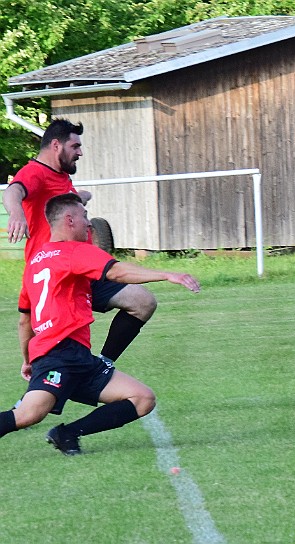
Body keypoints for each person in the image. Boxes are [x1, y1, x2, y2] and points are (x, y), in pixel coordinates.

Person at [0, 193, 200, 454]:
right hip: (58, 355)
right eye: (84, 216)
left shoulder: (36, 262)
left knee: (143, 399)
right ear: (69, 220)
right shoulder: (73, 251)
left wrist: (28, 359)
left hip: (76, 357)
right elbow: (116, 271)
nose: (89, 223)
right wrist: (167, 274)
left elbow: (25, 320)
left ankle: (67, 433)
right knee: (29, 414)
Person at [3, 118, 157, 365]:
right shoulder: (35, 172)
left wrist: (80, 196)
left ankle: (103, 365)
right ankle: (36, 391)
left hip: (82, 271)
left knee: (142, 301)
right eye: (75, 146)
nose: (80, 152)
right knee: (52, 346)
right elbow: (14, 191)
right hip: (54, 278)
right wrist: (16, 213)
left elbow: (62, 204)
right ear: (56, 145)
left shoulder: (60, 175)